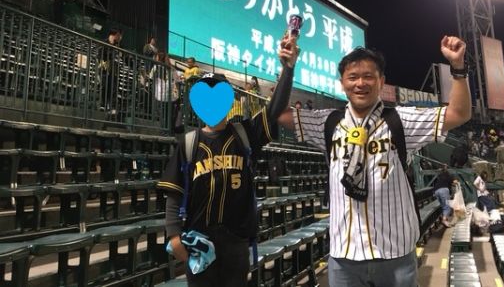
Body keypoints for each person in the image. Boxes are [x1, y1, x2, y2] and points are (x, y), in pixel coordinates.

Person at [279, 35, 471, 287]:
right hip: (344, 255)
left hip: (395, 254)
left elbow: (459, 113)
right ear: (342, 83)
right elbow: (279, 113)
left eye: (368, 76)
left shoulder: (401, 120)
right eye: (353, 77)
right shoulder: (327, 122)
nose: (360, 83)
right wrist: (288, 68)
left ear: (381, 81)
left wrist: (458, 67)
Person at [158, 33, 299, 287]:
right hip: (199, 240)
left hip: (236, 241)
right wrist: (174, 234)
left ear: (229, 101)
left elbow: (274, 109)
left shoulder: (245, 134)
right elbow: (174, 195)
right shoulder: (188, 143)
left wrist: (287, 69)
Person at [148, 52, 181, 133]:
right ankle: (168, 130)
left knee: (163, 114)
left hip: (161, 95)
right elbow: (177, 82)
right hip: (170, 95)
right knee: (169, 114)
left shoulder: (156, 67)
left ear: (158, 58)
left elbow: (150, 78)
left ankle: (164, 130)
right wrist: (178, 94)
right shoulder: (172, 69)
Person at [98, 28, 123, 113]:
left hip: (114, 70)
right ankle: (102, 105)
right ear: (113, 35)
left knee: (113, 88)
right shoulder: (104, 43)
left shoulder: (118, 46)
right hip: (105, 68)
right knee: (104, 87)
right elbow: (101, 55)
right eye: (118, 35)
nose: (120, 37)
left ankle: (112, 106)